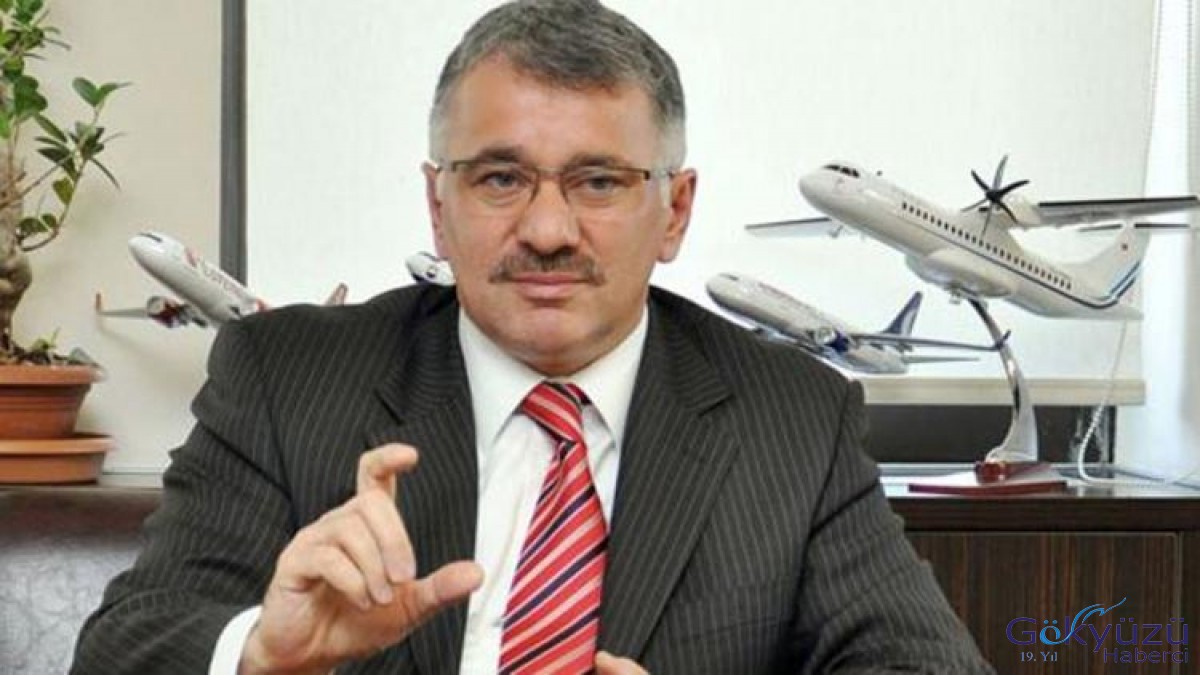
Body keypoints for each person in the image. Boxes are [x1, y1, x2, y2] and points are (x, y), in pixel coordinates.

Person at [73, 1, 994, 673]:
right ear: (438, 206)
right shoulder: (289, 378)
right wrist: (260, 655)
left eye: (598, 182)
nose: (549, 230)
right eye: (501, 179)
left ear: (674, 212)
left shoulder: (791, 416)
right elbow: (125, 647)